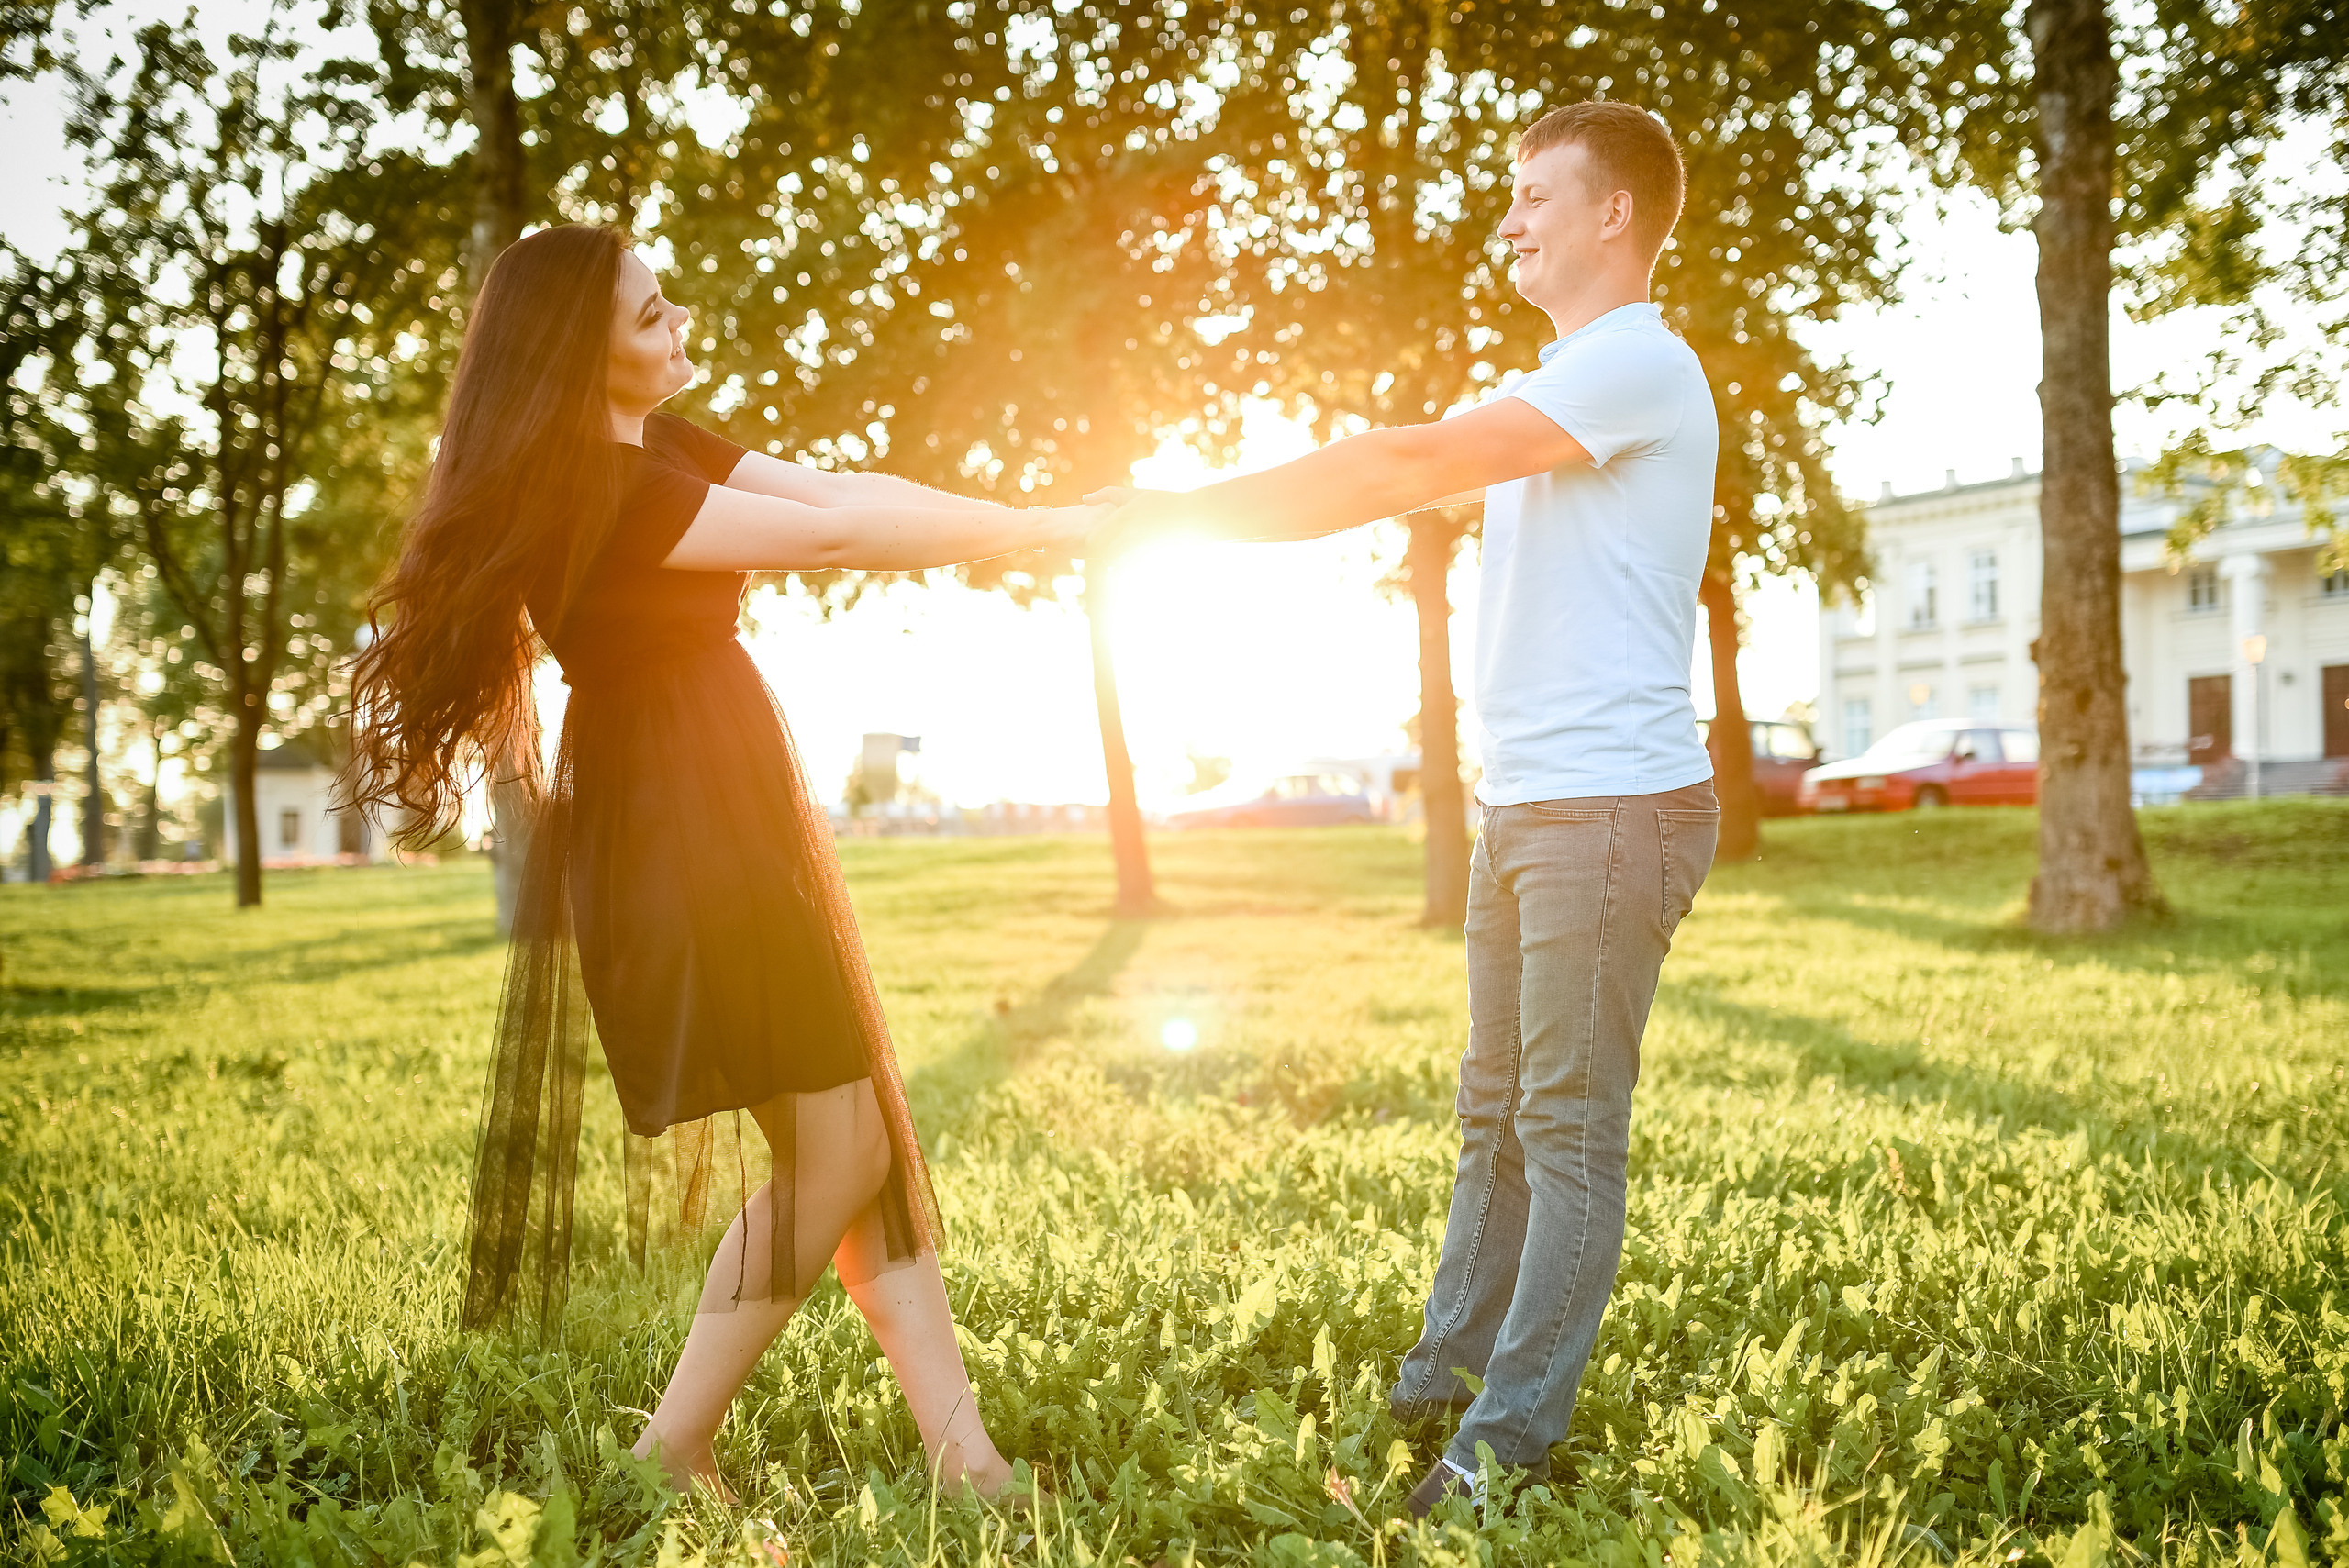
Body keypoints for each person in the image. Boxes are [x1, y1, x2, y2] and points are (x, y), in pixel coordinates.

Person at [343, 223, 1104, 1506]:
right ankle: (672, 1445)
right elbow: (829, 542)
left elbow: (837, 491)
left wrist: (1039, 521)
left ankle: (962, 1458)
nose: (680, 320)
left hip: (715, 811)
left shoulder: (659, 448)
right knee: (841, 1149)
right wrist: (1045, 529)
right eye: (650, 316)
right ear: (578, 357)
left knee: (855, 1141)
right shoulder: (603, 490)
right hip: (684, 834)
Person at [1093, 101, 1720, 1515]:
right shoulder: (1562, 380)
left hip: (1609, 809)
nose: (1513, 218)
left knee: (1565, 1128)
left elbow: (1396, 465)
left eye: (1538, 194)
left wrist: (1183, 513)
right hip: (1533, 805)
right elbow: (1413, 478)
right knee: (1494, 1113)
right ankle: (1437, 1386)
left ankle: (1503, 1451)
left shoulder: (1638, 363)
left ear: (1614, 213)